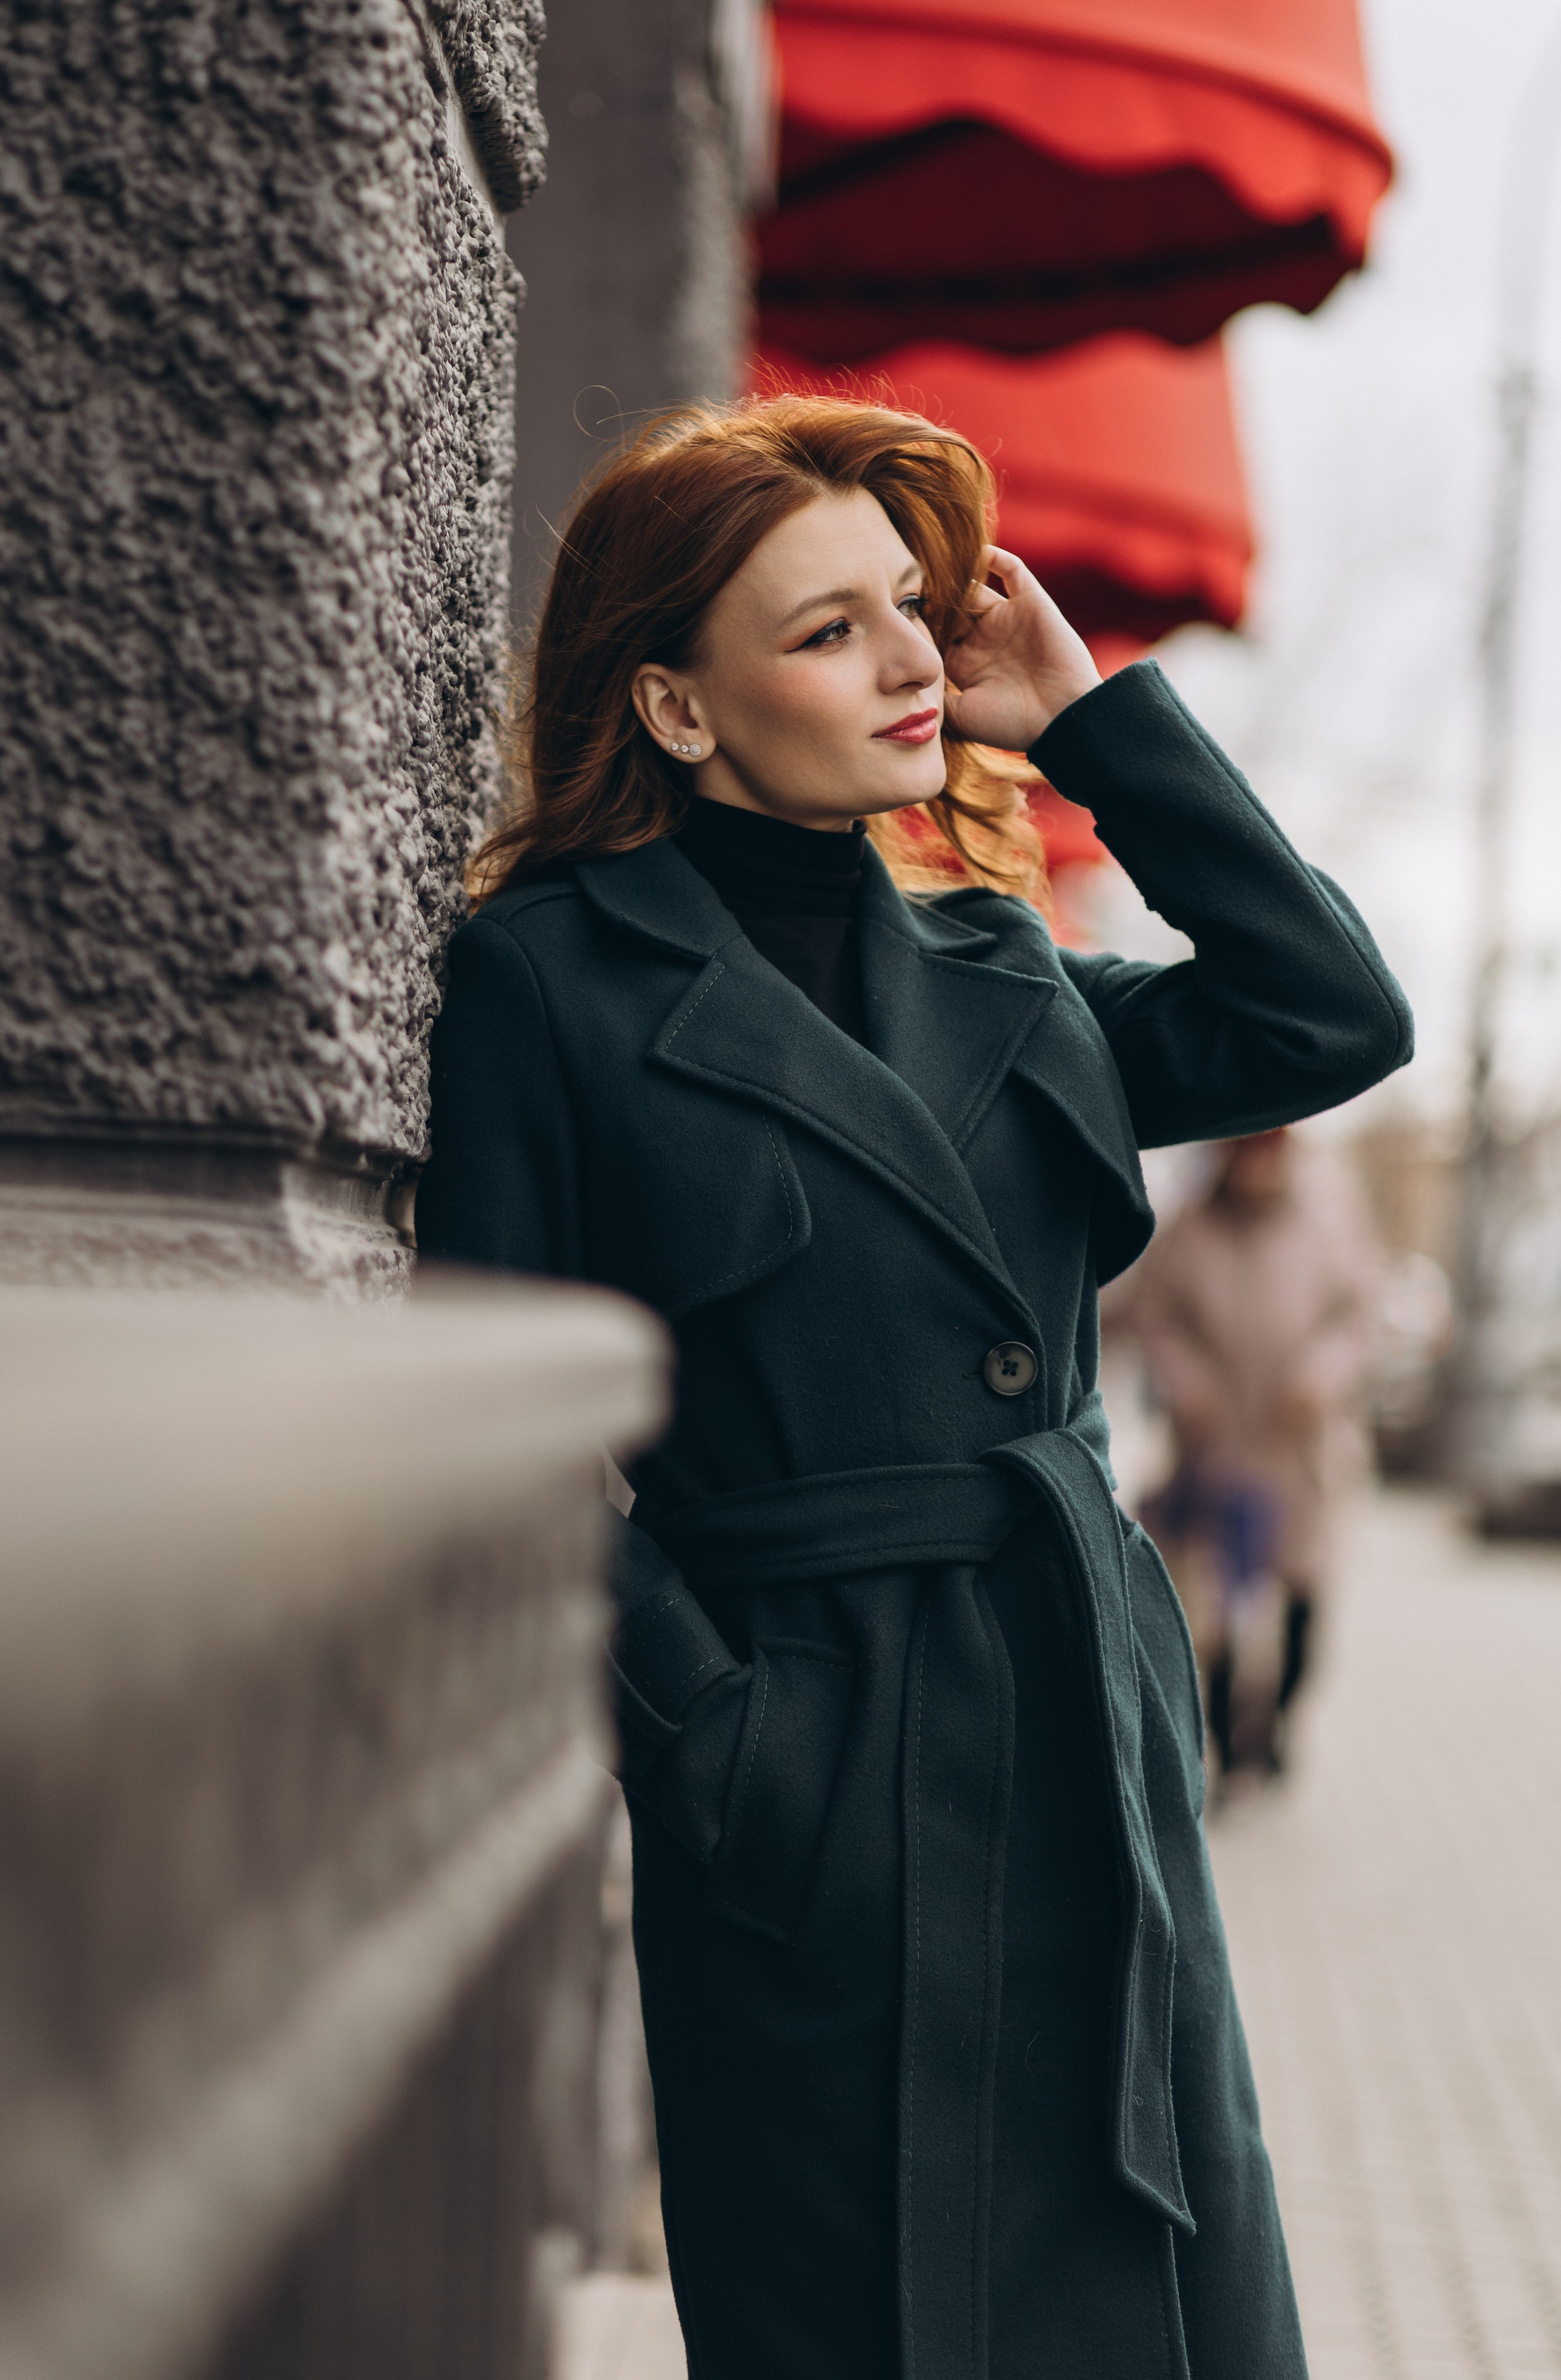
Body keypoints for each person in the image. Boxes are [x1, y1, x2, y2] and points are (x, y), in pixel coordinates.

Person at [416, 398, 1413, 2380]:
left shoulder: (1004, 964)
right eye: (825, 629)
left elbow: (1330, 1008)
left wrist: (1101, 727)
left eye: (912, 609)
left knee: (1156, 2298)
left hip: (1079, 1727)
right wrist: (715, 1744)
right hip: (811, 1765)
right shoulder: (549, 982)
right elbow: (495, 1432)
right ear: (678, 707)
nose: (906, 662)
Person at [1133, 1129, 1384, 1783]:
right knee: (1214, 1606)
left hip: (1299, 1448)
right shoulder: (1190, 1226)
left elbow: (1357, 1315)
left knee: (1301, 1589)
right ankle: (1224, 1737)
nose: (1254, 1167)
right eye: (1242, 1153)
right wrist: (1185, 1381)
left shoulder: (1330, 1219)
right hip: (1216, 1449)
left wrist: (1321, 1376)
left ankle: (1277, 1719)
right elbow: (1154, 1315)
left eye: (1267, 1152)